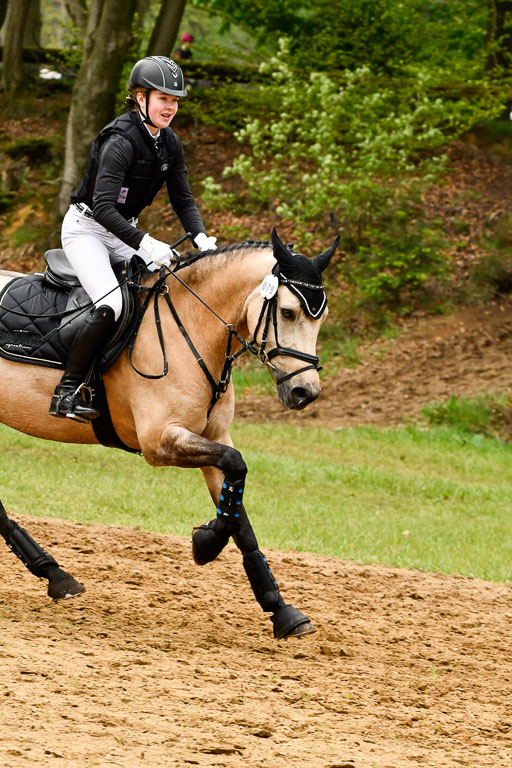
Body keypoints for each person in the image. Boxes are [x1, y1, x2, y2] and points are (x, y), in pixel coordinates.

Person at [49, 55, 217, 423]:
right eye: (163, 99)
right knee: (112, 305)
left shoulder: (168, 143)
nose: (170, 107)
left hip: (123, 229)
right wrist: (145, 243)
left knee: (162, 290)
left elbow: (183, 198)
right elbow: (104, 208)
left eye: (174, 101)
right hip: (88, 229)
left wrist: (202, 238)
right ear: (140, 99)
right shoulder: (120, 140)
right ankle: (66, 391)